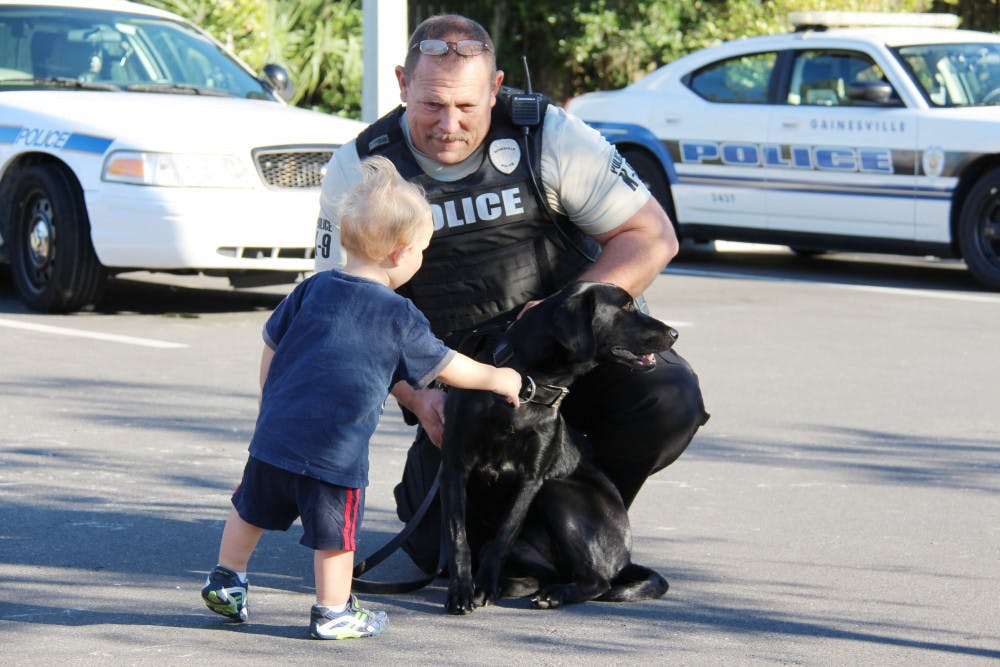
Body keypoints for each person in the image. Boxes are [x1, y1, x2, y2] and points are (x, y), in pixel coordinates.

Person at [315, 14, 709, 575]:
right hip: (462, 389)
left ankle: (578, 524)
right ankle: (511, 534)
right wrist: (416, 396)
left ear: (496, 87)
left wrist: (563, 311)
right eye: (430, 104)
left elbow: (653, 237)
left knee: (667, 398)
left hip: (572, 363)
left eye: (468, 107)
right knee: (435, 554)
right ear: (403, 84)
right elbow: (344, 309)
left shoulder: (546, 133)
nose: (448, 124)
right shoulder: (360, 166)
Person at [202, 156, 522, 639]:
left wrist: (270, 402)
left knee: (250, 508)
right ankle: (333, 611)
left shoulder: (313, 289)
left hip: (274, 436)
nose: (421, 259)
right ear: (399, 254)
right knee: (336, 535)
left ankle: (227, 580)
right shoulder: (399, 314)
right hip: (335, 451)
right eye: (421, 250)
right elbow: (448, 366)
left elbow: (272, 344)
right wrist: (499, 379)